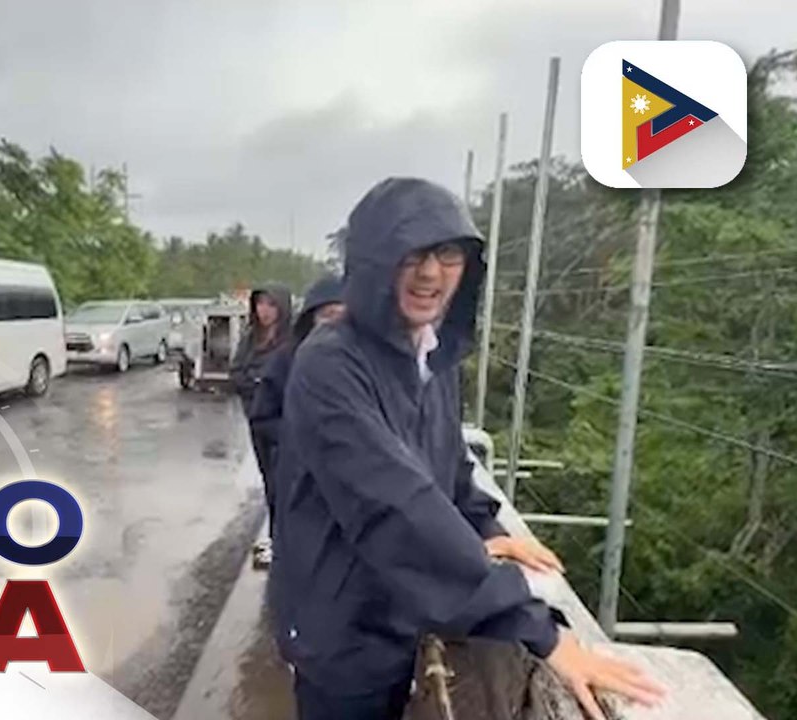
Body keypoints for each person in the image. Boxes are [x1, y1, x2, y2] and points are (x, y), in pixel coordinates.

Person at [269, 178, 663, 720]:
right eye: (411, 254)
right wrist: (540, 632)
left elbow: (447, 469)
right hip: (341, 634)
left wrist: (488, 530)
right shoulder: (331, 365)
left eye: (448, 253)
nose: (431, 273)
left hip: (398, 618)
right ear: (373, 262)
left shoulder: (431, 356)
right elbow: (397, 506)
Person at [247, 273, 344, 568]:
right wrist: (299, 438)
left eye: (344, 316)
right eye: (327, 316)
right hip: (297, 477)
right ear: (311, 319)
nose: (336, 325)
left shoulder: (367, 365)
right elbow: (263, 417)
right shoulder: (288, 360)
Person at [230, 284, 292, 554]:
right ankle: (276, 536)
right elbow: (236, 373)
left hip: (286, 423)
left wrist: (264, 382)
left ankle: (283, 538)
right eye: (260, 304)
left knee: (285, 482)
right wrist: (257, 384)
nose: (264, 311)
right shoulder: (250, 338)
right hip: (258, 420)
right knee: (269, 479)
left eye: (271, 304)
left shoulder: (291, 340)